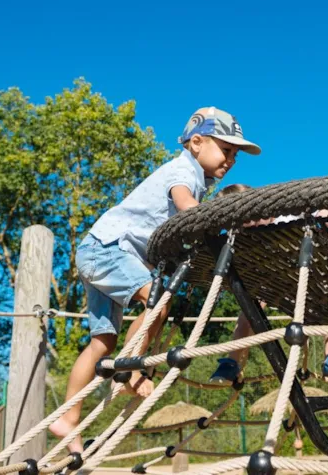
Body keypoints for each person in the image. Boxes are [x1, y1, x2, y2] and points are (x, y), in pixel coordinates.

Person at [49, 107, 261, 453]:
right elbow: (186, 205)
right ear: (196, 142)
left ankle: (68, 420)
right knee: (158, 305)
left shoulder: (196, 178)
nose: (232, 159)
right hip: (108, 251)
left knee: (102, 341)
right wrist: (218, 227)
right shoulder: (183, 172)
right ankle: (131, 372)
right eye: (226, 150)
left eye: (235, 154)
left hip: (97, 249)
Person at [208, 184, 328, 385]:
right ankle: (232, 361)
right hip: (280, 284)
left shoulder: (288, 215)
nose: (254, 222)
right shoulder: (249, 239)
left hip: (314, 279)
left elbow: (322, 213)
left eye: (256, 214)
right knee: (248, 310)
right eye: (244, 222)